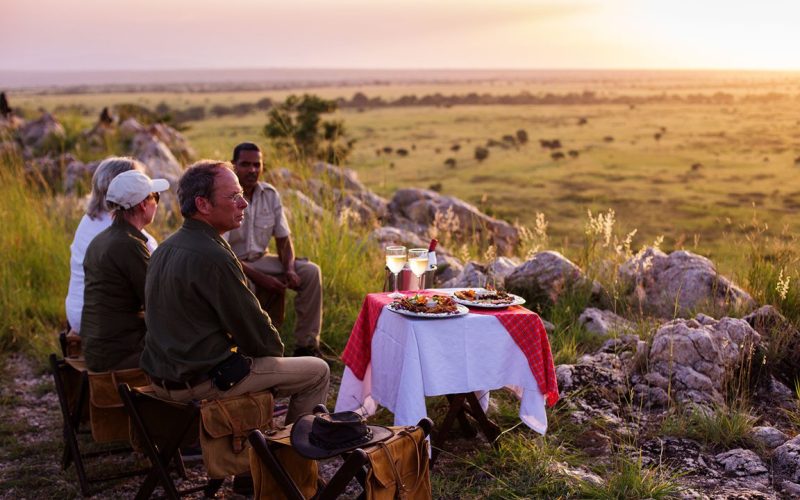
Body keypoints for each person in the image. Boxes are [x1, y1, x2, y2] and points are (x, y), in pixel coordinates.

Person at [140, 160, 330, 426]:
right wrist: (272, 353)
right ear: (203, 205)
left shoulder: (165, 248)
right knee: (317, 371)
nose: (244, 204)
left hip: (164, 377)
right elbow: (260, 338)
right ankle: (290, 456)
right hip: (201, 382)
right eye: (233, 196)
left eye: (241, 194)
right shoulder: (214, 255)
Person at [226, 142, 324, 358]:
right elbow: (222, 250)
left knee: (310, 272)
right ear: (234, 166)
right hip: (233, 264)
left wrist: (289, 268)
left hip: (262, 259)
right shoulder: (226, 196)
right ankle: (251, 352)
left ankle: (306, 346)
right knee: (247, 284)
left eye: (256, 164)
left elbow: (283, 238)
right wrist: (261, 278)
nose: (252, 170)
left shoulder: (270, 194)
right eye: (245, 164)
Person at [81, 170, 169, 372]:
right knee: (196, 355)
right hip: (121, 354)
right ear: (142, 204)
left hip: (99, 349)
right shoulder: (129, 244)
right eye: (155, 197)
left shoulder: (101, 240)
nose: (157, 203)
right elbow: (159, 303)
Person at [65, 157, 157, 334]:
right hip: (102, 323)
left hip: (78, 313)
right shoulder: (123, 233)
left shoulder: (89, 220)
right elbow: (155, 285)